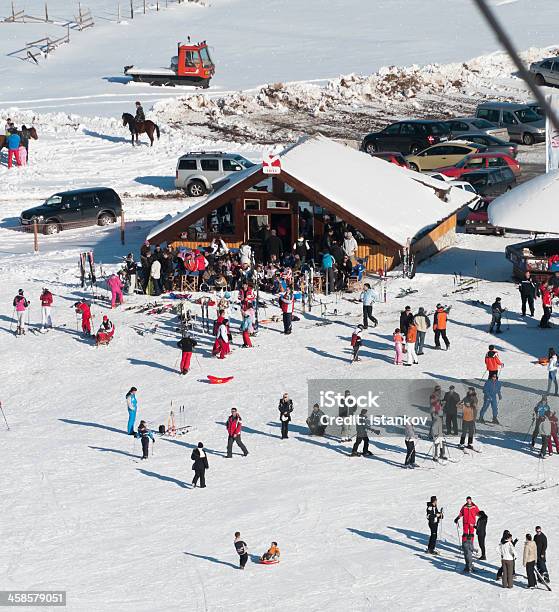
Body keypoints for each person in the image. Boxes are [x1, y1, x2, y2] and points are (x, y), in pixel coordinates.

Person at [454, 497, 480, 573]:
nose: (468, 501)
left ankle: (471, 546)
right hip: (465, 522)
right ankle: (464, 545)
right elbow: (461, 513)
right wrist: (457, 518)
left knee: (471, 534)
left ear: (471, 500)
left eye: (469, 500)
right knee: (465, 534)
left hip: (472, 522)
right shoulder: (464, 506)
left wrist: (482, 517)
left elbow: (478, 512)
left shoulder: (474, 506)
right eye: (467, 500)